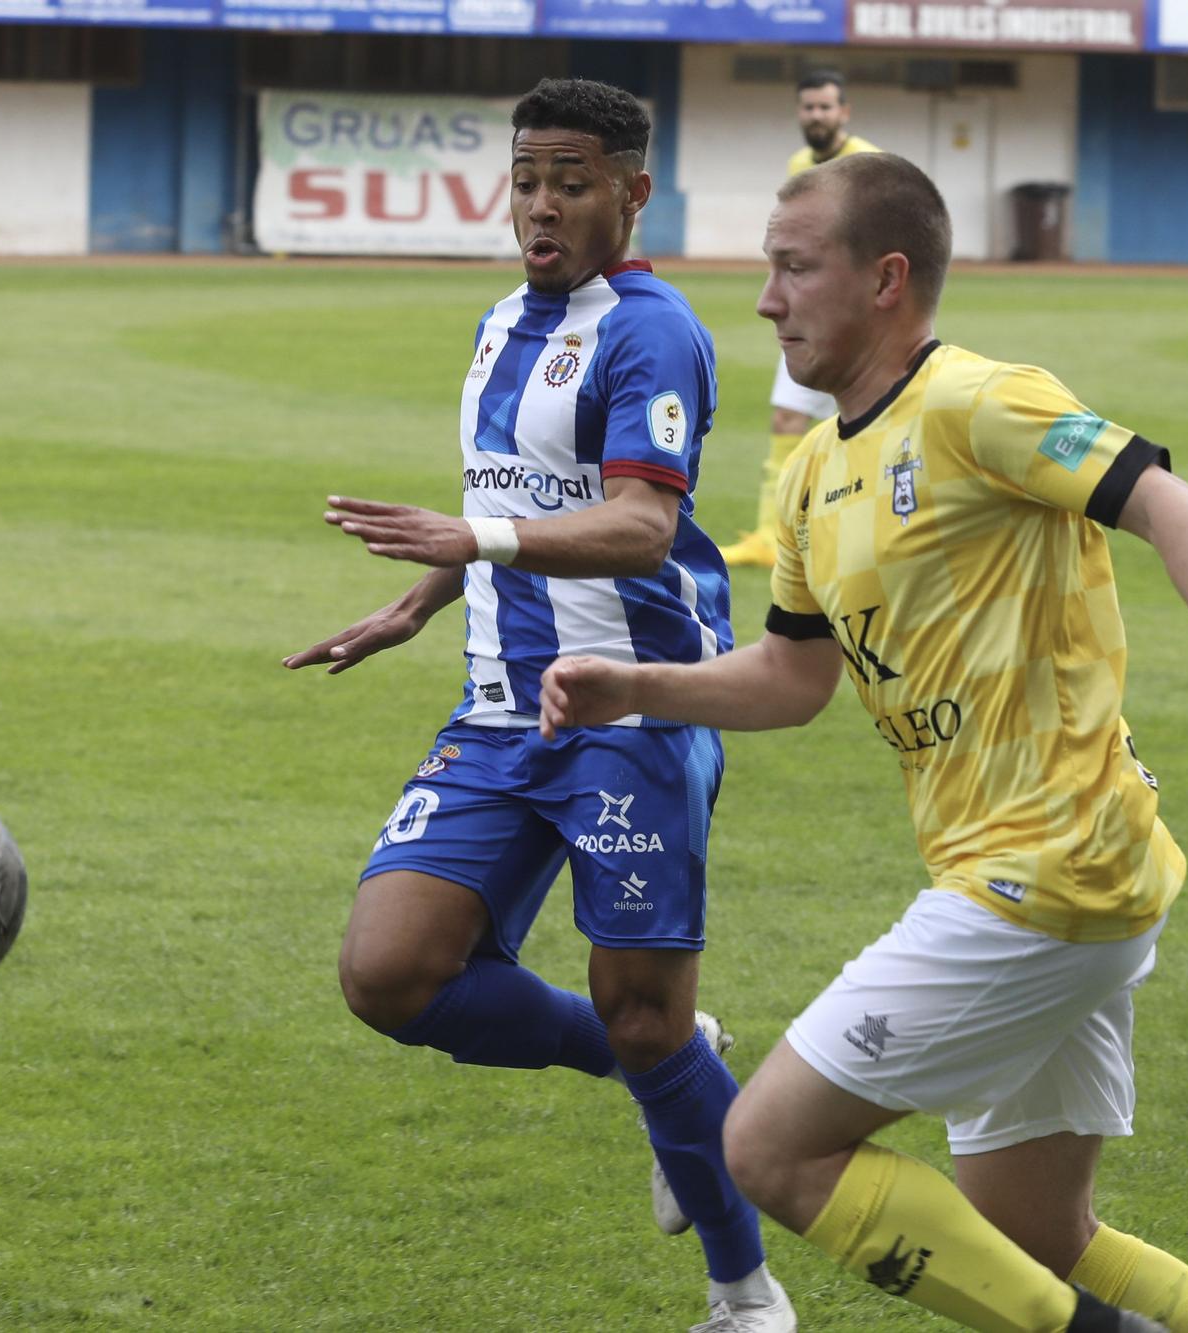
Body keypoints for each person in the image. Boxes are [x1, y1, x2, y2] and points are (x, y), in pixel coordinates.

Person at [540, 151, 1188, 1332]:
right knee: (1038, 1237)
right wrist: (634, 687)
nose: (765, 298)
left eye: (794, 268)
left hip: (1044, 872)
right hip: (1033, 877)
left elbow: (1172, 505)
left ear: (885, 279)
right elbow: (794, 678)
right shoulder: (810, 477)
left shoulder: (976, 402)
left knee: (767, 1146)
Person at [283, 78, 793, 1333]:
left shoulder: (652, 332)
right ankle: (671, 1059)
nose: (540, 206)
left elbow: (636, 526)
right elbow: (518, 488)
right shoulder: (502, 318)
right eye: (524, 179)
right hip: (500, 707)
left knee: (639, 1015)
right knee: (390, 975)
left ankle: (746, 1296)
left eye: (570, 180)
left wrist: (474, 532)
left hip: (627, 712)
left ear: (632, 189)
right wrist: (429, 590)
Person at [719, 70, 879, 569]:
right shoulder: (798, 163)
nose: (816, 116)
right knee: (787, 418)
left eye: (825, 107)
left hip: (855, 321)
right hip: (808, 314)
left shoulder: (868, 164)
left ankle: (870, 532)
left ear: (844, 112)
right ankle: (772, 535)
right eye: (808, 107)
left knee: (866, 424)